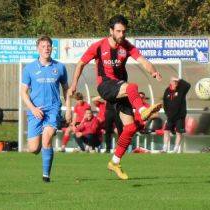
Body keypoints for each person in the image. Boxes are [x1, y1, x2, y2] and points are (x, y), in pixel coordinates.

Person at [67, 15, 163, 180]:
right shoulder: (98, 46)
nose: (121, 34)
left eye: (123, 31)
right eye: (118, 31)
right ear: (111, 31)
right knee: (132, 87)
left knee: (131, 128)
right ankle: (143, 110)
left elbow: (143, 61)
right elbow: (81, 63)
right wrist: (74, 84)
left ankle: (115, 162)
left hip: (120, 90)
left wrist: (153, 71)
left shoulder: (126, 47)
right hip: (105, 86)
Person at [21, 35, 69, 183]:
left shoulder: (60, 67)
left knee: (47, 139)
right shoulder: (29, 68)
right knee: (33, 149)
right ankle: (43, 135)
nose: (46, 49)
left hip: (53, 110)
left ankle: (46, 176)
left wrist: (68, 110)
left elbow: (66, 89)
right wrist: (33, 109)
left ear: (51, 48)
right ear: (38, 49)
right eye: (43, 46)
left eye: (48, 46)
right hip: (35, 111)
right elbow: (23, 92)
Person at [162, 77, 191, 153]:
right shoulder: (167, 91)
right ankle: (164, 148)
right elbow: (164, 103)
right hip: (170, 117)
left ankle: (176, 149)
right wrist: (167, 113)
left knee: (178, 132)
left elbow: (188, 85)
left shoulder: (181, 90)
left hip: (180, 116)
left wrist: (179, 79)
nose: (175, 83)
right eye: (174, 81)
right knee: (166, 130)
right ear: (171, 82)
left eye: (176, 82)